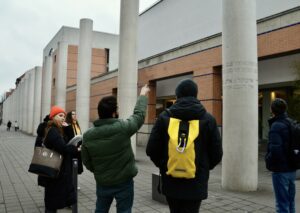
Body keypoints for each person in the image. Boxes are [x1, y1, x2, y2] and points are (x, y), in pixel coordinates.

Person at [146, 79, 223, 213]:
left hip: (171, 179)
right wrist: (203, 167)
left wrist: (165, 165)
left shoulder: (164, 117)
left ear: (177, 96)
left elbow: (151, 149)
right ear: (196, 95)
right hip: (196, 181)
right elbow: (217, 153)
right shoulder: (208, 119)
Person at [81, 84, 150, 213]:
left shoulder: (88, 135)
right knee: (124, 210)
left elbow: (86, 161)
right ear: (114, 113)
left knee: (100, 210)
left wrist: (98, 171)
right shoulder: (123, 127)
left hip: (103, 182)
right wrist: (142, 95)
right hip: (124, 181)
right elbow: (138, 116)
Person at [39, 106, 80, 213]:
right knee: (51, 204)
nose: (63, 118)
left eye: (64, 116)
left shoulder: (58, 130)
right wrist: (75, 149)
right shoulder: (53, 131)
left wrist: (68, 128)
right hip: (53, 170)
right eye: (60, 115)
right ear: (53, 117)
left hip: (56, 170)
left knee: (53, 202)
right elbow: (64, 148)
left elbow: (68, 141)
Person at [265, 98, 296, 213]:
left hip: (280, 170)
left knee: (281, 203)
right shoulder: (291, 122)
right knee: (290, 201)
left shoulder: (276, 126)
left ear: (272, 110)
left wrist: (268, 160)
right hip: (292, 168)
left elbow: (275, 150)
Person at [64, 110, 84, 186]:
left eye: (75, 114)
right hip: (71, 149)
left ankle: (74, 183)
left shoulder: (77, 125)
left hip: (78, 149)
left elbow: (79, 136)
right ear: (69, 116)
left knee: (76, 167)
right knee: (71, 166)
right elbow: (67, 137)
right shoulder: (67, 126)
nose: (75, 115)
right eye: (73, 114)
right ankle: (71, 183)